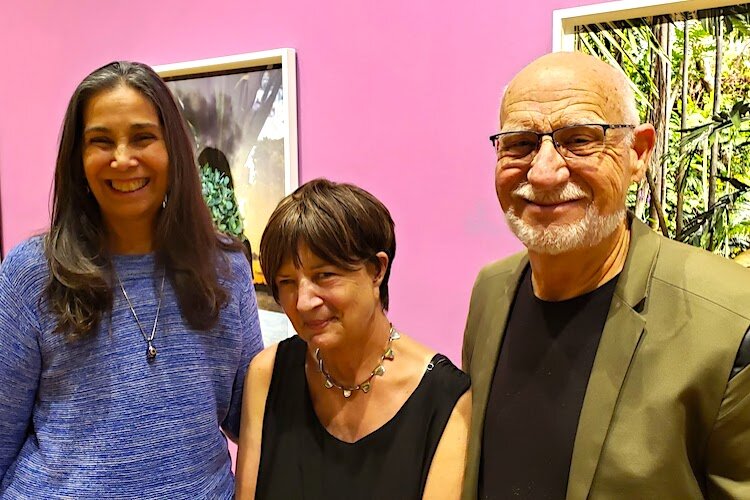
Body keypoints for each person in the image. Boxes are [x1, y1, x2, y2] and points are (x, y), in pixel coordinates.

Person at [462, 51, 750, 499]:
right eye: (519, 144)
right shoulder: (490, 291)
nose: (543, 172)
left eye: (578, 140)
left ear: (638, 153)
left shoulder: (731, 319)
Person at [0, 61, 263, 498]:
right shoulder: (32, 273)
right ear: (78, 160)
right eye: (100, 141)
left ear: (172, 150)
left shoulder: (225, 267)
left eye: (142, 137)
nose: (122, 159)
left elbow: (248, 417)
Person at [235, 178, 471, 499]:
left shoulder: (446, 400)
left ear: (377, 270)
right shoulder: (268, 373)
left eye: (325, 276)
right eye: (287, 282)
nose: (303, 301)